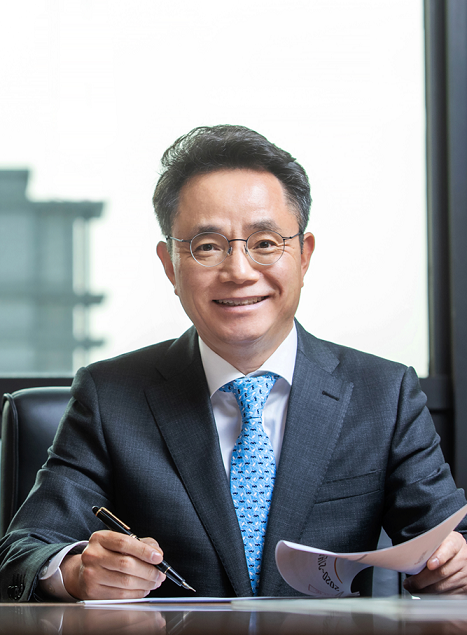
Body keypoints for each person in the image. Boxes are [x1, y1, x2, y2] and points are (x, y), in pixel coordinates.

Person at [1, 125, 467, 602]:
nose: (239, 272)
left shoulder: (383, 394)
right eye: (207, 246)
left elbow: (451, 535)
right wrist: (75, 571)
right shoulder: (110, 396)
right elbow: (22, 552)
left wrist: (456, 562)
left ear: (304, 255)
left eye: (265, 243)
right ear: (170, 265)